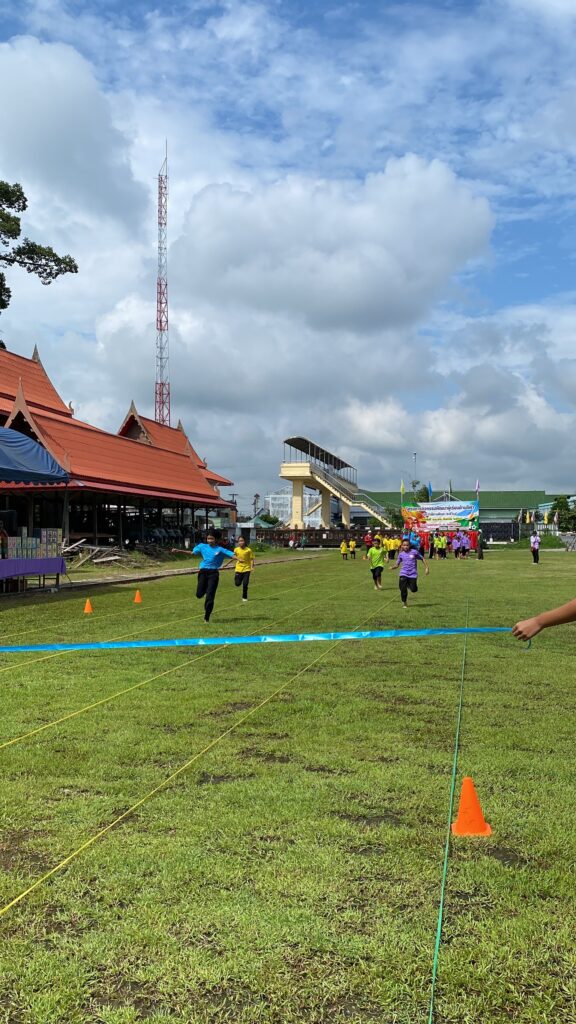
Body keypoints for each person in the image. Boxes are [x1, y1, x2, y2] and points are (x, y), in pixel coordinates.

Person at [184, 532, 235, 622]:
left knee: (210, 596)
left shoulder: (220, 549)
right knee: (199, 594)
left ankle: (206, 617)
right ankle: (205, 592)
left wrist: (240, 559)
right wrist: (179, 551)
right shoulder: (202, 546)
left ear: (216, 540)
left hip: (213, 574)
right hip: (203, 572)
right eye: (208, 539)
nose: (210, 540)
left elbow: (232, 555)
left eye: (212, 539)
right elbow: (192, 553)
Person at [390, 537, 429, 607]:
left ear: (409, 545)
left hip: (413, 574)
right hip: (403, 573)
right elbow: (397, 564)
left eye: (407, 545)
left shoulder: (414, 552)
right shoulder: (401, 554)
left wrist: (426, 568)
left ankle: (409, 585)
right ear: (402, 546)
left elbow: (422, 558)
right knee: (403, 589)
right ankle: (404, 602)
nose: (405, 546)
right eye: (404, 545)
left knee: (414, 589)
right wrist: (393, 567)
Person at [230, 535, 254, 602]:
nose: (241, 542)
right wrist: (227, 564)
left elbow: (251, 559)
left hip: (247, 569)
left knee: (245, 584)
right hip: (238, 569)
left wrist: (252, 567)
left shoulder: (248, 550)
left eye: (242, 541)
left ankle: (244, 597)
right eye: (239, 541)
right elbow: (233, 557)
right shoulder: (236, 549)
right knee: (237, 584)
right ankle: (236, 578)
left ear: (245, 541)